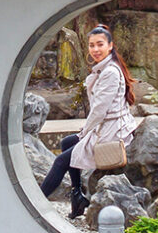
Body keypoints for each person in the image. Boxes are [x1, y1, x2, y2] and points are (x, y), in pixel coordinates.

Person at [38, 25, 141, 220]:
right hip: (106, 125)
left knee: (61, 161)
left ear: (110, 46)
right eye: (92, 45)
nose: (95, 49)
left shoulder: (110, 72)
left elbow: (99, 111)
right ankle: (78, 196)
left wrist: (85, 132)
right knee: (67, 143)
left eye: (100, 44)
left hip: (111, 130)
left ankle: (36, 204)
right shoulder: (104, 69)